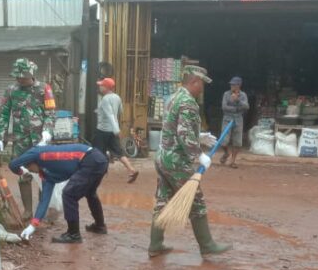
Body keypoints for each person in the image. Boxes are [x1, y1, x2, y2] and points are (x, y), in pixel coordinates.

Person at [149, 66, 232, 257]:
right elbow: (183, 132)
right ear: (194, 81)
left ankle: (155, 245)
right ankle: (207, 245)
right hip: (176, 160)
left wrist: (199, 136)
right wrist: (198, 155)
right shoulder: (188, 102)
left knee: (162, 200)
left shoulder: (174, 97)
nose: (202, 88)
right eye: (201, 83)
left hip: (163, 156)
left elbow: (172, 126)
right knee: (196, 201)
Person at [0, 58, 56, 221]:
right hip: (21, 140)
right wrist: (0, 137)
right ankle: (28, 210)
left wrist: (47, 132)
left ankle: (42, 211)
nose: (18, 79)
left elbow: (50, 113)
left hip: (41, 141)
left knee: (44, 174)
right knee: (23, 175)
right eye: (17, 76)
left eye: (21, 76)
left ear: (30, 74)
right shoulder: (11, 90)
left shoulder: (44, 89)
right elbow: (4, 115)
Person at [9, 144, 108, 244]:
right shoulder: (47, 175)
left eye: (28, 166)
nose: (29, 170)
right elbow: (44, 200)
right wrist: (33, 225)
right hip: (97, 160)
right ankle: (99, 226)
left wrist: (20, 172)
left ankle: (73, 234)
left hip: (90, 159)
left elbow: (12, 165)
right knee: (90, 193)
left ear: (32, 162)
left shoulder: (37, 154)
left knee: (69, 194)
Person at [92, 77, 139, 183]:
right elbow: (120, 110)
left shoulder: (105, 99)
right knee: (119, 152)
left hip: (103, 130)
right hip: (112, 131)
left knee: (97, 152)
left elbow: (110, 114)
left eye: (101, 85)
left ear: (106, 87)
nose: (99, 87)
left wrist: (116, 129)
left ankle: (98, 173)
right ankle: (131, 169)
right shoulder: (117, 97)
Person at [220, 76, 249, 168]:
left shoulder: (243, 95)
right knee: (224, 140)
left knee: (237, 141)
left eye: (234, 84)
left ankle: (233, 161)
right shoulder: (226, 94)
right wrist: (236, 109)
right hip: (227, 118)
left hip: (238, 119)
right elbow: (224, 107)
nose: (232, 86)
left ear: (239, 85)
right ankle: (226, 153)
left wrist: (238, 100)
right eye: (231, 84)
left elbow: (246, 107)